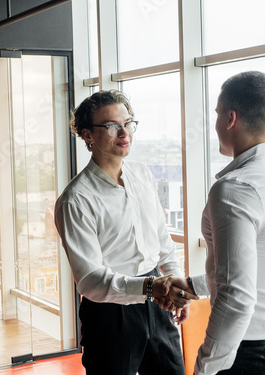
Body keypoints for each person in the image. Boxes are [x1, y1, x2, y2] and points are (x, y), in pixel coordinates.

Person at [160, 71, 265, 375]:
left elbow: (237, 296)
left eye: (217, 114)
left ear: (231, 118)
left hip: (249, 357)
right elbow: (260, 272)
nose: (215, 122)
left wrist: (205, 367)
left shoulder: (235, 188)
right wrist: (193, 286)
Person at [54, 89, 196, 375]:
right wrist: (149, 288)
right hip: (110, 313)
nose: (124, 132)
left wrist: (175, 286)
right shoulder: (76, 199)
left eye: (128, 123)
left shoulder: (143, 174)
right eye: (111, 126)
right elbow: (90, 280)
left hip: (158, 301)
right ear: (87, 136)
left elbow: (162, 242)